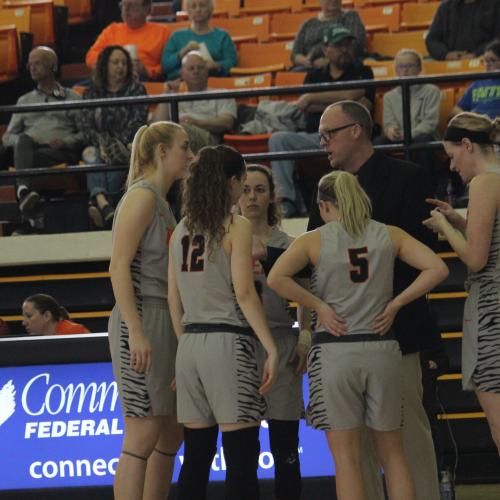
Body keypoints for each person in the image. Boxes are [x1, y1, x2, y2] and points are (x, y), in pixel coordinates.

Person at [268, 170, 448, 500]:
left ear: (323, 206)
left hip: (336, 352)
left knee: (347, 461)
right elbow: (438, 268)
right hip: (381, 348)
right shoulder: (388, 234)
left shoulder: (315, 239)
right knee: (393, 456)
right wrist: (396, 303)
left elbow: (276, 278)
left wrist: (318, 306)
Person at [307, 100, 442, 500]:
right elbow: (313, 263)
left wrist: (384, 301)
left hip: (393, 332)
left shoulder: (408, 177)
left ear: (356, 130)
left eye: (329, 133)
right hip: (341, 337)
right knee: (354, 451)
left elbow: (423, 258)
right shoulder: (327, 186)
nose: (322, 143)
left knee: (407, 440)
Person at [167, 146, 278, 500]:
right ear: (230, 182)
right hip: (228, 343)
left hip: (189, 345)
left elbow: (173, 299)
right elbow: (245, 293)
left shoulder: (181, 227)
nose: (243, 190)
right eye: (241, 182)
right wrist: (271, 347)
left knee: (196, 458)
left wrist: (182, 343)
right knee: (242, 457)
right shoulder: (236, 225)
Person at [108, 121, 193, 500]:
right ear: (161, 152)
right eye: (184, 147)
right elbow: (118, 265)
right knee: (142, 431)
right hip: (141, 314)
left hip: (165, 315)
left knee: (171, 431)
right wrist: (136, 330)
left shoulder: (162, 202)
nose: (190, 156)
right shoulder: (141, 196)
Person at [423, 111, 500, 454]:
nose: (452, 167)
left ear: (467, 145)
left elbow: (475, 259)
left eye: (453, 157)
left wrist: (446, 229)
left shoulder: (485, 182)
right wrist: (460, 221)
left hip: (491, 309)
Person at [238, 164, 308, 500]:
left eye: (260, 189)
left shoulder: (290, 244)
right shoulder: (224, 239)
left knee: (285, 445)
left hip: (281, 340)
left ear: (271, 196)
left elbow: (309, 292)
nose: (252, 197)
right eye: (246, 189)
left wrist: (306, 336)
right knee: (243, 448)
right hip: (238, 345)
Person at [269, 25, 374, 217]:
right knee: (279, 139)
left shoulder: (363, 71)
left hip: (347, 135)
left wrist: (312, 97)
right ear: (326, 49)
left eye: (348, 45)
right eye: (339, 45)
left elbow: (355, 98)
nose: (345, 49)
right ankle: (287, 201)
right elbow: (310, 106)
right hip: (316, 136)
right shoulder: (314, 75)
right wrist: (339, 99)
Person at [1, 46, 84, 231]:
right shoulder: (24, 100)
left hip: (60, 152)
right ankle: (25, 194)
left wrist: (66, 141)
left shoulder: (72, 98)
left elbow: (85, 133)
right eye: (30, 64)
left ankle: (26, 204)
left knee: (23, 160)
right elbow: (7, 137)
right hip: (30, 151)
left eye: (37, 63)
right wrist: (30, 141)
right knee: (22, 141)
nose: (32, 68)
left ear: (53, 66)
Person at [81, 45, 148, 229]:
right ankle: (106, 204)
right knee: (90, 154)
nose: (121, 67)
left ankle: (100, 201)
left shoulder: (136, 90)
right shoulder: (91, 92)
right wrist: (102, 144)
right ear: (105, 65)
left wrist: (112, 145)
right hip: (97, 146)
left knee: (116, 155)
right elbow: (85, 126)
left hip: (125, 145)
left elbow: (137, 123)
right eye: (115, 62)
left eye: (124, 63)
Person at [152, 50, 236, 153]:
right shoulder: (174, 96)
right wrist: (166, 94)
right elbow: (155, 124)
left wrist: (196, 123)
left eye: (200, 67)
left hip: (208, 140)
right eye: (191, 68)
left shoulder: (221, 94)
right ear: (182, 73)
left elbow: (227, 122)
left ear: (207, 71)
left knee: (179, 130)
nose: (196, 71)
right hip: (173, 140)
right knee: (148, 136)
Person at [86, 0, 170, 80]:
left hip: (144, 79)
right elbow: (90, 57)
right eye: (123, 5)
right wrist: (110, 64)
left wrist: (147, 71)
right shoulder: (112, 30)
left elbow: (169, 64)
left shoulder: (162, 32)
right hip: (111, 79)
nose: (126, 10)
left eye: (132, 5)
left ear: (147, 10)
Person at [376, 49, 441, 146]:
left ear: (419, 68)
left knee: (423, 140)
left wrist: (408, 134)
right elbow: (388, 123)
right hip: (399, 137)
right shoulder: (389, 97)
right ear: (396, 70)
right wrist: (392, 131)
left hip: (422, 136)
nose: (405, 70)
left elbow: (430, 123)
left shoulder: (432, 91)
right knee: (378, 142)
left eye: (410, 66)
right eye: (401, 66)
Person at [162, 0, 237, 80]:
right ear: (188, 11)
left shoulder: (223, 36)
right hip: (182, 84)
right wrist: (183, 52)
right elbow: (166, 65)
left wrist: (215, 65)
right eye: (193, 6)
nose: (198, 10)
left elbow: (231, 62)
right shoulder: (176, 36)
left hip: (214, 82)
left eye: (202, 6)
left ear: (210, 9)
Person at [291, 0, 366, 70]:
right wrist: (309, 62)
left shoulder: (350, 16)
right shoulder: (307, 24)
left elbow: (356, 44)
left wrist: (328, 60)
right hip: (308, 66)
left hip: (339, 65)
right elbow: (295, 54)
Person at [425, 0, 500, 61]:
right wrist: (446, 55)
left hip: (485, 62)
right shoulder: (445, 7)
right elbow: (432, 39)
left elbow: (498, 38)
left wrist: (476, 54)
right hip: (450, 65)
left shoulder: (496, 4)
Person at [452, 40, 500, 119]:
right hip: (476, 124)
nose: (487, 64)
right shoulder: (478, 82)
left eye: (492, 60)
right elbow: (456, 110)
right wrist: (468, 117)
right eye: (486, 61)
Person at [22, 294, 90, 335]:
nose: (24, 323)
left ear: (47, 316)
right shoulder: (36, 339)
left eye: (29, 316)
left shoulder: (76, 333)